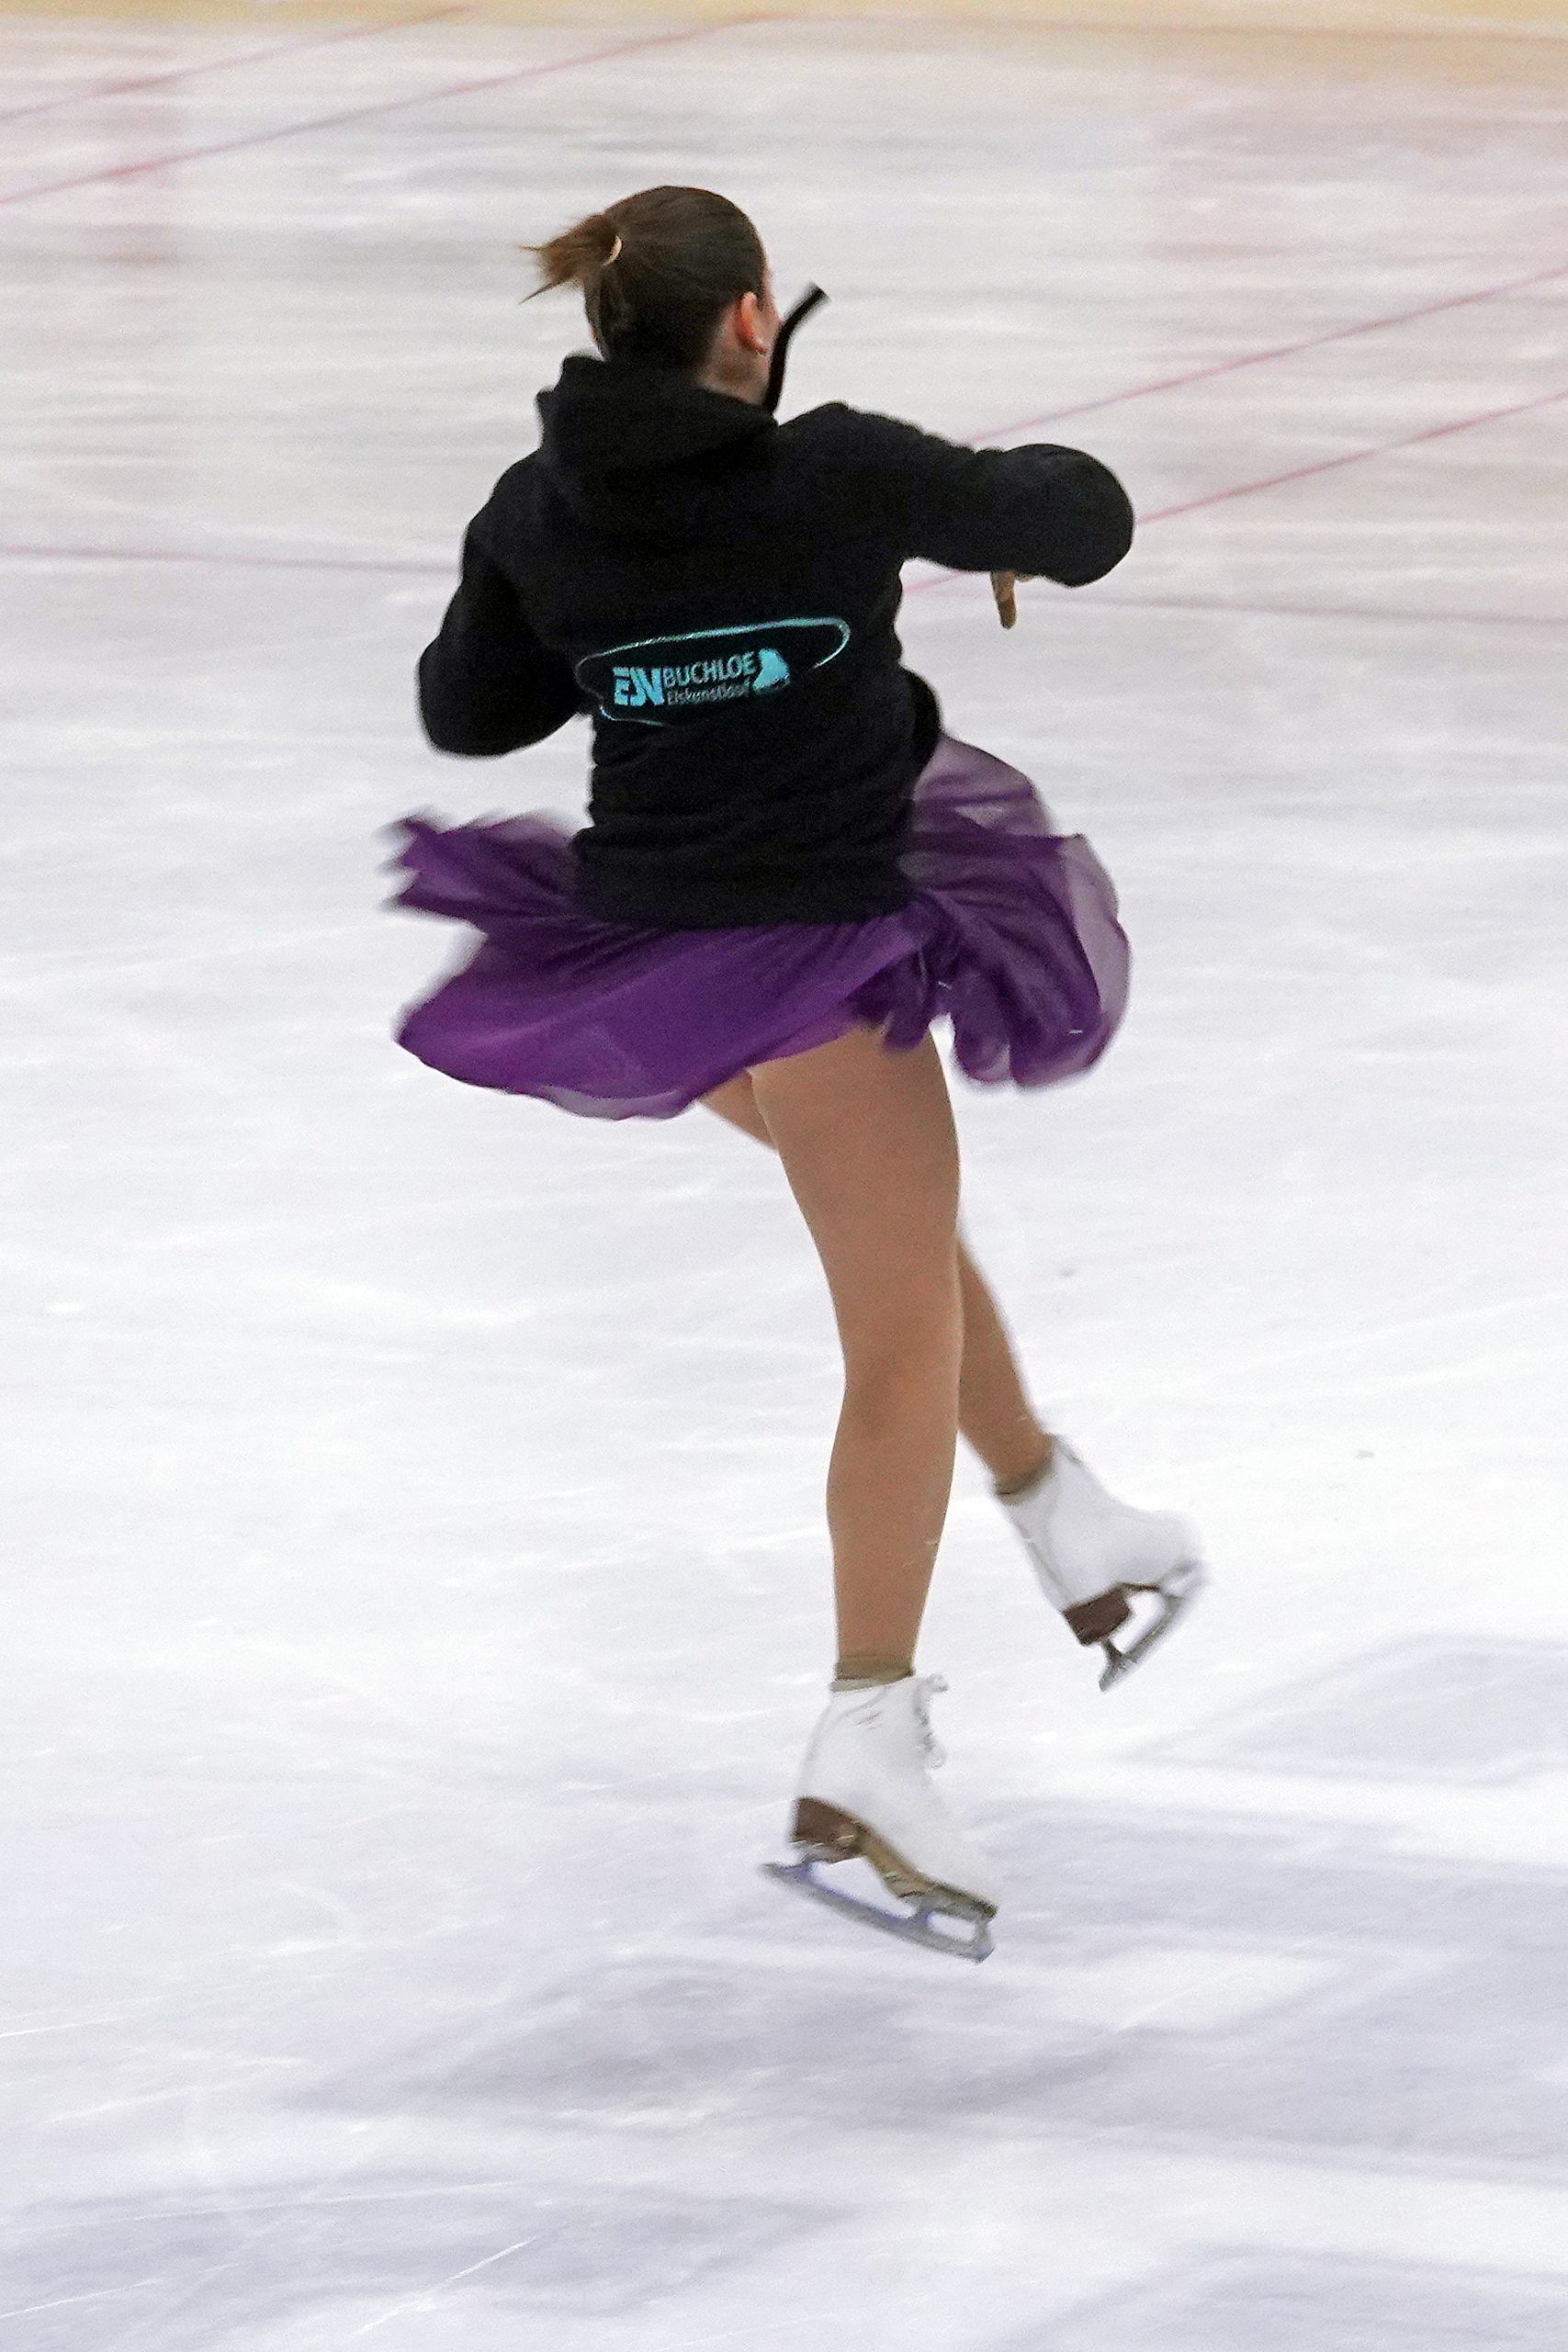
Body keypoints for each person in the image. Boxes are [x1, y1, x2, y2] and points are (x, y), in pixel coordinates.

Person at [390, 186, 1203, 1962]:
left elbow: (471, 705)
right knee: (895, 1338)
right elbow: (1085, 517)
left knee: (895, 1246)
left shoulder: (537, 503)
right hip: (809, 961)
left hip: (653, 969)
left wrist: (621, 624)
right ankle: (869, 1733)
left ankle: (1064, 1514)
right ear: (752, 320)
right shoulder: (835, 470)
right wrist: (966, 513)